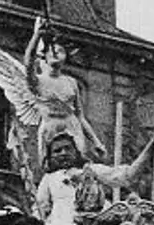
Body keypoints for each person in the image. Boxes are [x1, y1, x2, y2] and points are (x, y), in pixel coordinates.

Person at [34, 131, 154, 225]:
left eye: (68, 148)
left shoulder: (91, 170)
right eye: (57, 151)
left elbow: (125, 176)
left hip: (97, 221)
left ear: (76, 152)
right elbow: (40, 207)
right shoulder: (49, 179)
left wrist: (149, 149)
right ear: (50, 157)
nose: (63, 153)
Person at [21, 16, 108, 166]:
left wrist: (96, 141)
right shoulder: (39, 81)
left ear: (66, 57)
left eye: (60, 51)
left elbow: (80, 116)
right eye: (51, 51)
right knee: (52, 167)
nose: (55, 53)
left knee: (78, 165)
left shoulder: (71, 82)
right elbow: (28, 62)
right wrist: (37, 35)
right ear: (45, 57)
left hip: (71, 125)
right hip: (50, 126)